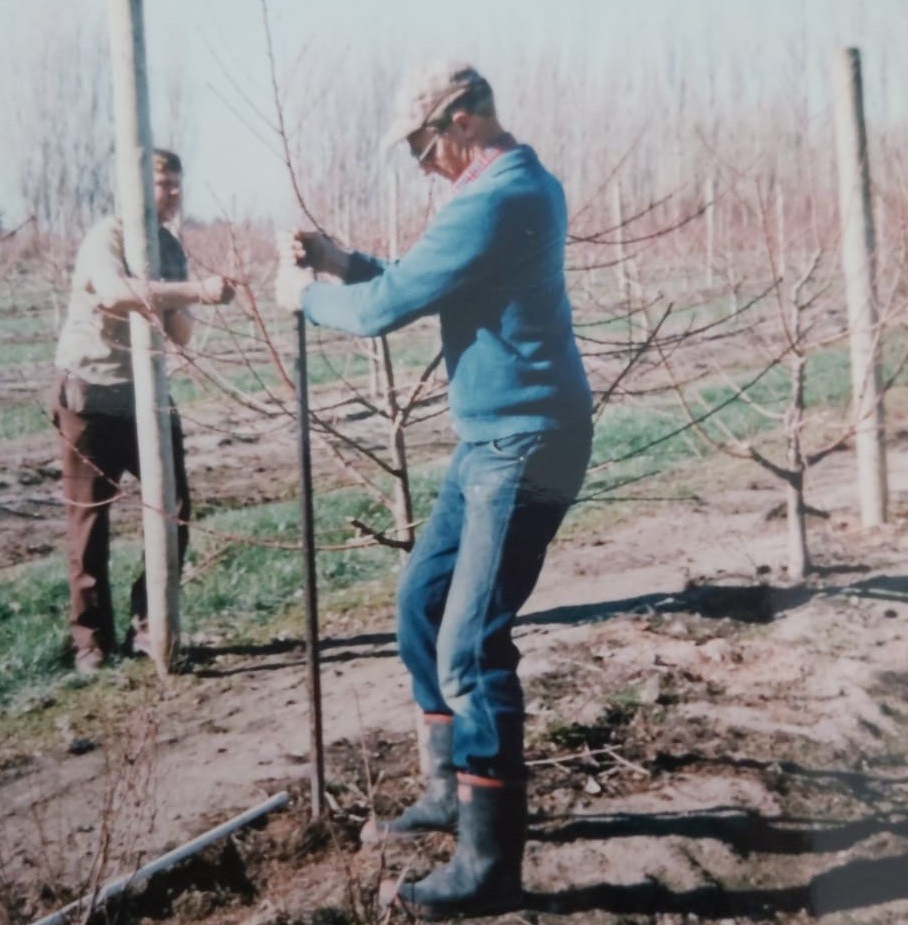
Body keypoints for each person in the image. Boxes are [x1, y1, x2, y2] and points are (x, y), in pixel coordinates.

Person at [276, 61, 595, 919]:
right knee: (422, 605)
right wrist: (346, 263)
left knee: (471, 645)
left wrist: (306, 298)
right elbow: (427, 279)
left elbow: (390, 307)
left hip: (525, 444)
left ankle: (489, 864)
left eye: (422, 145)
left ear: (462, 120)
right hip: (497, 436)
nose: (419, 164)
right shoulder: (505, 188)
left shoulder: (498, 195)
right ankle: (450, 788)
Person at [52, 148, 235, 675]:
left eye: (178, 183)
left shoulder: (169, 247)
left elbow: (180, 335)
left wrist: (182, 302)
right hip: (91, 396)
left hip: (148, 396)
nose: (173, 193)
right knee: (89, 525)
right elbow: (112, 293)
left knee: (174, 510)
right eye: (162, 184)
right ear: (132, 188)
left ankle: (150, 625)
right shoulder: (105, 237)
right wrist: (192, 290)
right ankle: (91, 643)